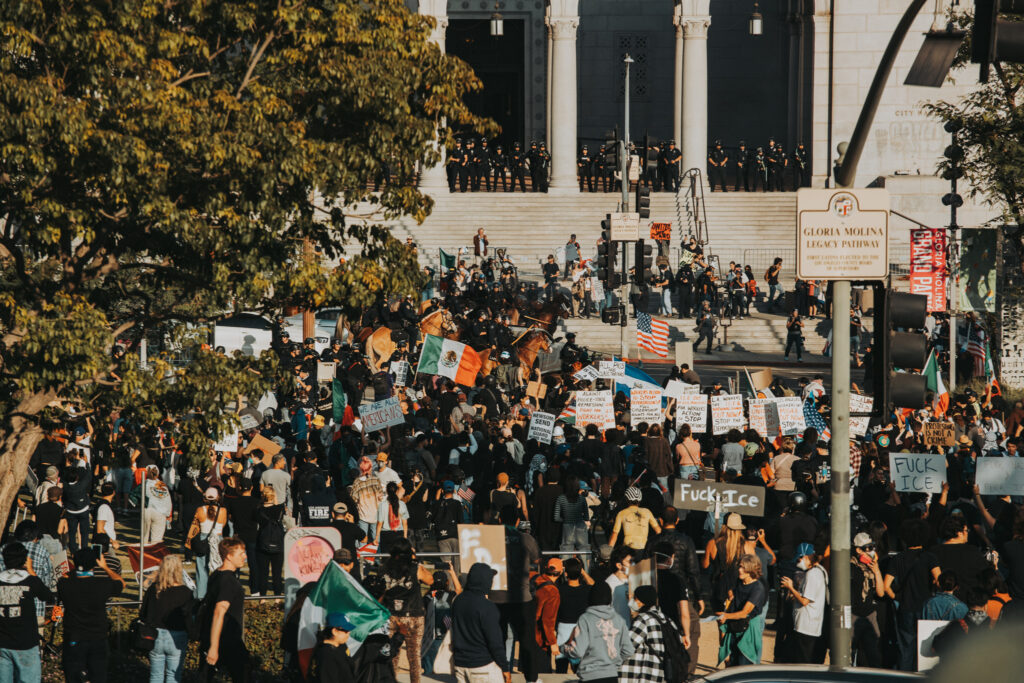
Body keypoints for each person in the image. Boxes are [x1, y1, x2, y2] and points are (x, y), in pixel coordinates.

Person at [59, 548, 125, 683]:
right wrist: (105, 567)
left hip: (74, 636)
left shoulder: (65, 584)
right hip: (97, 637)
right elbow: (121, 583)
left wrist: (76, 569)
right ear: (94, 564)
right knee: (98, 676)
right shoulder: (102, 584)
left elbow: (65, 577)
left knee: (73, 676)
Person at [379, 537, 433, 683]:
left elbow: (380, 592)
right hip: (413, 614)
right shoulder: (415, 568)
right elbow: (430, 580)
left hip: (391, 615)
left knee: (392, 654)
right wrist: (415, 559)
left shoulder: (384, 568)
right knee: (414, 656)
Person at [0, 542, 54, 682]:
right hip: (26, 643)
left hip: (2, 643)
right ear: (25, 559)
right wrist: (30, 569)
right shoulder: (30, 581)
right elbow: (47, 596)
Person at [562, 581, 634, 683]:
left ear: (590, 598)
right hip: (612, 676)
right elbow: (628, 650)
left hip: (590, 676)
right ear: (610, 598)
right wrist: (612, 663)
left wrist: (563, 648)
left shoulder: (585, 619)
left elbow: (578, 651)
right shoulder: (619, 620)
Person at [451, 563, 511, 683]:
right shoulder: (487, 606)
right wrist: (505, 668)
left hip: (460, 664)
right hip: (483, 666)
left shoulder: (458, 601)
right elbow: (495, 642)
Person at [141, 555, 195, 683]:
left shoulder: (153, 589)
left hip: (155, 634)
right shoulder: (186, 592)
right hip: (177, 636)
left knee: (156, 676)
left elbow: (143, 613)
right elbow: (189, 616)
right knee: (173, 676)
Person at [202, 537, 249, 682]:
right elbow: (219, 612)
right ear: (229, 556)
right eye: (241, 554)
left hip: (216, 638)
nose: (245, 557)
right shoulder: (228, 581)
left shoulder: (217, 574)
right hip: (227, 640)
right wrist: (214, 647)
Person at [619, 584, 680, 683]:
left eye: (635, 598)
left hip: (646, 674)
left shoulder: (643, 619)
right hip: (662, 674)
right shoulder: (667, 619)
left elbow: (628, 646)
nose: (632, 600)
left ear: (642, 601)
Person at [780, 542, 828, 664]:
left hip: (806, 627)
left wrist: (790, 587)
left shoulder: (812, 574)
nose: (798, 563)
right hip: (811, 625)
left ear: (805, 557)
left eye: (799, 559)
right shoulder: (821, 570)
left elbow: (805, 601)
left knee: (802, 662)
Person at [716, 553, 767, 666]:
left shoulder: (757, 588)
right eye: (739, 566)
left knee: (744, 667)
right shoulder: (739, 582)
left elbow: (745, 613)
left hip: (748, 631)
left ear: (751, 569)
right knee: (732, 666)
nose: (740, 570)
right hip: (734, 628)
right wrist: (730, 595)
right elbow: (731, 589)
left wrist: (726, 616)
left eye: (743, 568)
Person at [185, 488, 227, 599]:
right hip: (217, 538)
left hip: (203, 538)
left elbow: (196, 525)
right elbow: (223, 525)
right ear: (217, 497)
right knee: (219, 567)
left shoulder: (200, 510)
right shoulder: (223, 511)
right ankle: (217, 594)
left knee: (202, 569)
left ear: (205, 498)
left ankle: (201, 596)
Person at [608, 486, 661, 554]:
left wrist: (608, 552)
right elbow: (658, 531)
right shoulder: (647, 512)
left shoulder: (621, 513)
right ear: (640, 500)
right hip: (643, 549)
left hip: (627, 549)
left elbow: (614, 535)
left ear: (626, 499)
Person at [254, 486, 286, 597]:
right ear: (273, 496)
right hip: (278, 544)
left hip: (262, 543)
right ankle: (277, 596)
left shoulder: (258, 511)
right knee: (277, 573)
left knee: (263, 572)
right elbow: (278, 510)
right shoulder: (280, 509)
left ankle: (262, 597)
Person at [554, 475, 590, 557]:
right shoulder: (582, 498)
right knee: (584, 552)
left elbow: (556, 518)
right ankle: (585, 565)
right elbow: (586, 517)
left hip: (567, 527)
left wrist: (565, 519)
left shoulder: (561, 498)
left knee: (566, 553)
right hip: (580, 526)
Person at [314, 613, 357, 680]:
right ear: (334, 631)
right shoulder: (326, 655)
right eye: (346, 631)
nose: (349, 633)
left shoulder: (341, 645)